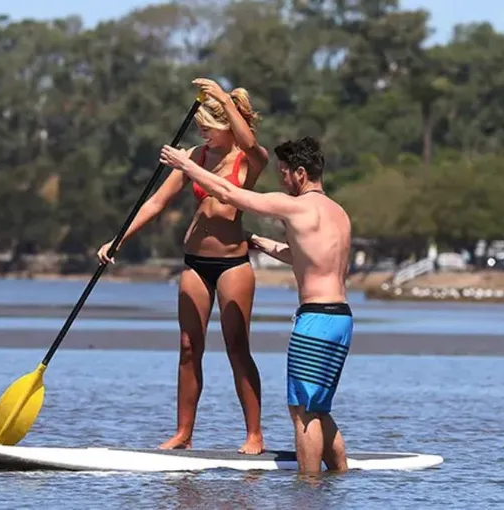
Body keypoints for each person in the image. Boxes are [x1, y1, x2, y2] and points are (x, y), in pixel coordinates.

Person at [160, 136, 354, 475]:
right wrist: (262, 243)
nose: (282, 182)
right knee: (318, 407)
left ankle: (306, 491)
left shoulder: (297, 206)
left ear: (301, 173)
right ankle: (339, 481)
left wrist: (187, 165)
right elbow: (307, 258)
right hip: (341, 318)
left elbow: (232, 195)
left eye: (284, 175)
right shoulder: (338, 213)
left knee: (303, 412)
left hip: (315, 320)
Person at [96, 78, 269, 454]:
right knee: (189, 347)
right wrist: (118, 239)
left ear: (228, 123)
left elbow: (253, 146)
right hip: (194, 262)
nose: (203, 130)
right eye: (201, 124)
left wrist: (223, 97)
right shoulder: (191, 157)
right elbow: (155, 204)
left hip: (232, 264)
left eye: (210, 123)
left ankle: (254, 435)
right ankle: (183, 434)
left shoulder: (249, 159)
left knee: (237, 347)